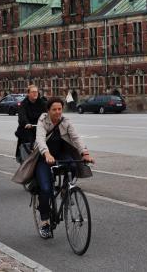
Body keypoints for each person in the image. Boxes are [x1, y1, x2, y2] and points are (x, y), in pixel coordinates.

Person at [34, 97, 94, 239]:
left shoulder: (65, 121)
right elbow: (40, 139)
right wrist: (47, 154)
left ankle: (65, 190)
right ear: (48, 110)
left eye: (59, 109)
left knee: (73, 165)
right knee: (45, 189)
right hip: (44, 156)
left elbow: (76, 138)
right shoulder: (43, 121)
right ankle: (45, 223)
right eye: (54, 109)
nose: (57, 112)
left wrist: (85, 153)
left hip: (60, 153)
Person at [16, 85, 46, 163]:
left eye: (36, 92)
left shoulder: (41, 102)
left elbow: (46, 113)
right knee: (27, 143)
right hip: (27, 128)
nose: (35, 93)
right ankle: (25, 161)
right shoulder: (23, 104)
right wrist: (26, 123)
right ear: (28, 93)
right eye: (33, 92)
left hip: (39, 127)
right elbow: (22, 116)